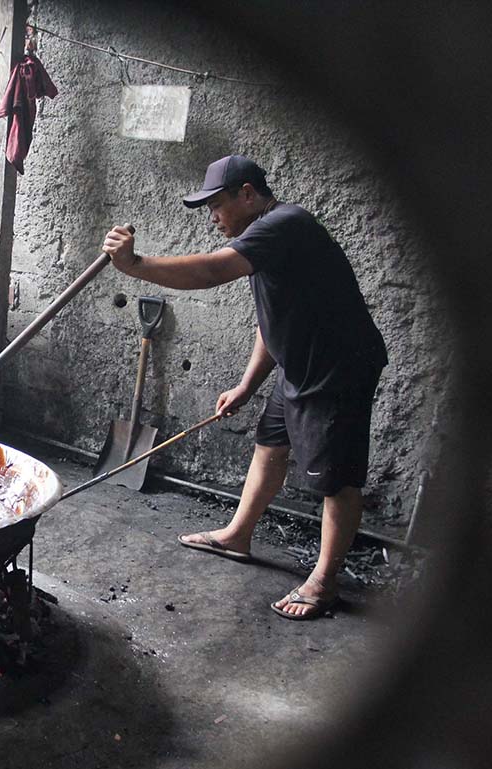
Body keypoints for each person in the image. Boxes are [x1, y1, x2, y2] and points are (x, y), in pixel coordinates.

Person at [102, 155, 387, 620]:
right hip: (298, 363)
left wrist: (135, 265)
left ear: (248, 194)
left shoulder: (285, 224)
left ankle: (324, 582)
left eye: (217, 204)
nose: (212, 216)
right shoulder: (268, 241)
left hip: (337, 369)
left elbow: (212, 272)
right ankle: (238, 535)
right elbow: (270, 322)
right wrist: (247, 385)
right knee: (269, 443)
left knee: (337, 478)